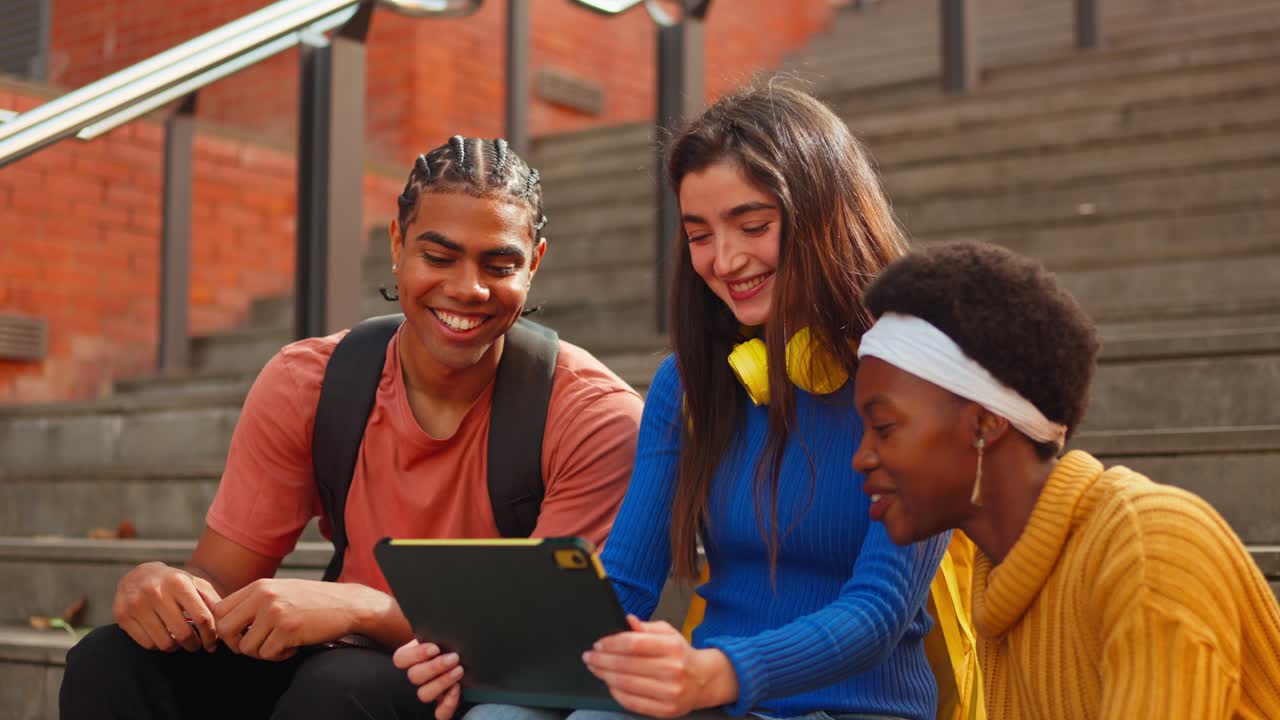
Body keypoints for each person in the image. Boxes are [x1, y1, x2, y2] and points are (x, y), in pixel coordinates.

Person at [400, 84, 949, 720]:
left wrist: (719, 671)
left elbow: (878, 612)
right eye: (699, 235)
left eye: (753, 226)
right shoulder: (687, 383)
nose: (725, 260)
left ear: (825, 214)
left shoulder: (916, 379)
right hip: (708, 697)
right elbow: (626, 586)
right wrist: (485, 655)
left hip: (848, 707)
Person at [59, 136, 645, 720]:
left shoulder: (593, 416)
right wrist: (163, 588)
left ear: (535, 263)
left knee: (341, 690)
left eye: (499, 264)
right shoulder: (310, 382)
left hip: (469, 678)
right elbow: (219, 578)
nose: (467, 288)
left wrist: (363, 608)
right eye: (438, 257)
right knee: (109, 659)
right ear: (397, 244)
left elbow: (550, 640)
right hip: (331, 657)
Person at [852, 241, 1280, 719]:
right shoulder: (1005, 593)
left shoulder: (1148, 547)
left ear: (985, 423)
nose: (861, 457)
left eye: (884, 427)